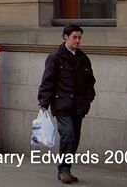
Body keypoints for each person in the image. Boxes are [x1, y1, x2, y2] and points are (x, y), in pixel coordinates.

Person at [37, 24, 96, 184]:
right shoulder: (55, 57)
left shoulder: (83, 58)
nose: (78, 40)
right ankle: (63, 169)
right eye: (74, 37)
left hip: (78, 105)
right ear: (66, 37)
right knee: (68, 134)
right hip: (62, 103)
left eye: (79, 37)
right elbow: (48, 80)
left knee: (74, 138)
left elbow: (90, 81)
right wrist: (43, 102)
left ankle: (67, 168)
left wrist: (88, 98)